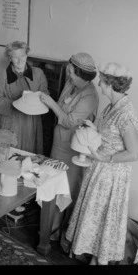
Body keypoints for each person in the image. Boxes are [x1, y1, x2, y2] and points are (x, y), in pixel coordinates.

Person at [65, 62, 138, 265]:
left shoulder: (125, 113)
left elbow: (134, 153)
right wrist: (93, 126)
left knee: (103, 219)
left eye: (102, 80)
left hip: (112, 174)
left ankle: (101, 260)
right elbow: (109, 135)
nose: (99, 83)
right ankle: (96, 259)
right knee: (96, 217)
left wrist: (106, 159)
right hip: (100, 169)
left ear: (110, 84)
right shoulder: (112, 106)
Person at [39, 52, 99, 241]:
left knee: (66, 189)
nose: (69, 75)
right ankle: (49, 228)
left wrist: (50, 103)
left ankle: (58, 232)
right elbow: (60, 107)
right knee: (52, 183)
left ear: (80, 73)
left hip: (72, 150)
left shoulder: (90, 96)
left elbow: (69, 121)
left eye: (71, 72)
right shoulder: (71, 84)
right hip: (58, 145)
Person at [0, 41, 49, 154]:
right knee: (9, 155)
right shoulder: (1, 76)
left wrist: (34, 100)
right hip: (9, 122)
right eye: (15, 57)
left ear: (27, 55)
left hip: (31, 122)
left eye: (22, 56)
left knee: (29, 156)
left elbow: (45, 95)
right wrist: (17, 103)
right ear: (10, 58)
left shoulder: (38, 74)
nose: (20, 60)